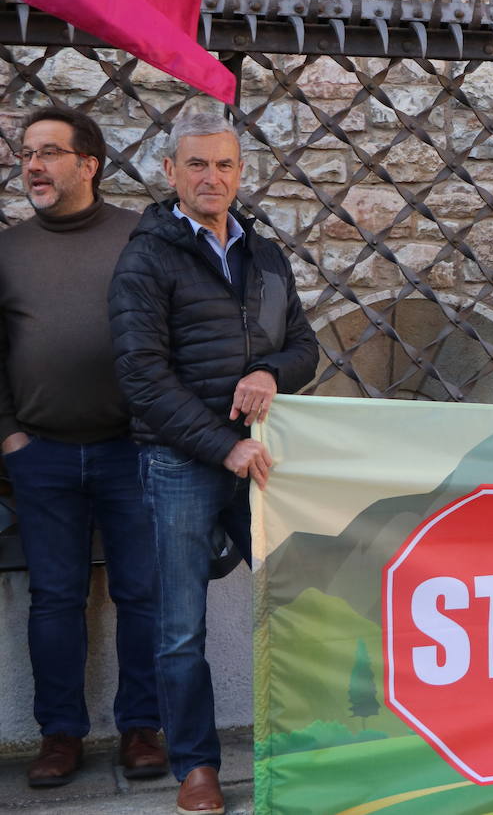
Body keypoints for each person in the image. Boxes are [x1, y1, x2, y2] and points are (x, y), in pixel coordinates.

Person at [109, 111, 318, 814]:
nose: (212, 178)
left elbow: (304, 347)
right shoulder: (148, 256)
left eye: (225, 165)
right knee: (178, 626)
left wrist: (270, 373)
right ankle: (196, 767)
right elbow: (141, 374)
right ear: (170, 173)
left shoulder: (262, 252)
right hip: (182, 462)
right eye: (197, 165)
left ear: (240, 172)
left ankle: (300, 746)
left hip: (259, 460)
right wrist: (220, 444)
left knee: (297, 602)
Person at [0, 107, 167, 787]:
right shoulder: (7, 250)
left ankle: (142, 728)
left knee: (142, 593)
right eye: (26, 153)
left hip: (133, 451)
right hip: (39, 455)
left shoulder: (142, 237)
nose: (32, 165)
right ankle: (60, 736)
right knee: (56, 600)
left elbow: (174, 331)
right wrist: (9, 436)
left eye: (48, 152)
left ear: (88, 163)